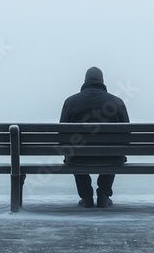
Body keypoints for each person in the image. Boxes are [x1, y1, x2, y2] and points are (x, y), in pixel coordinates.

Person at [60, 67, 130, 208]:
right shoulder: (117, 102)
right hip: (111, 158)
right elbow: (127, 137)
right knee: (115, 152)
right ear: (102, 82)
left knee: (73, 152)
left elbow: (62, 137)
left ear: (85, 81)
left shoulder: (70, 102)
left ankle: (86, 197)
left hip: (78, 159)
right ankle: (103, 195)